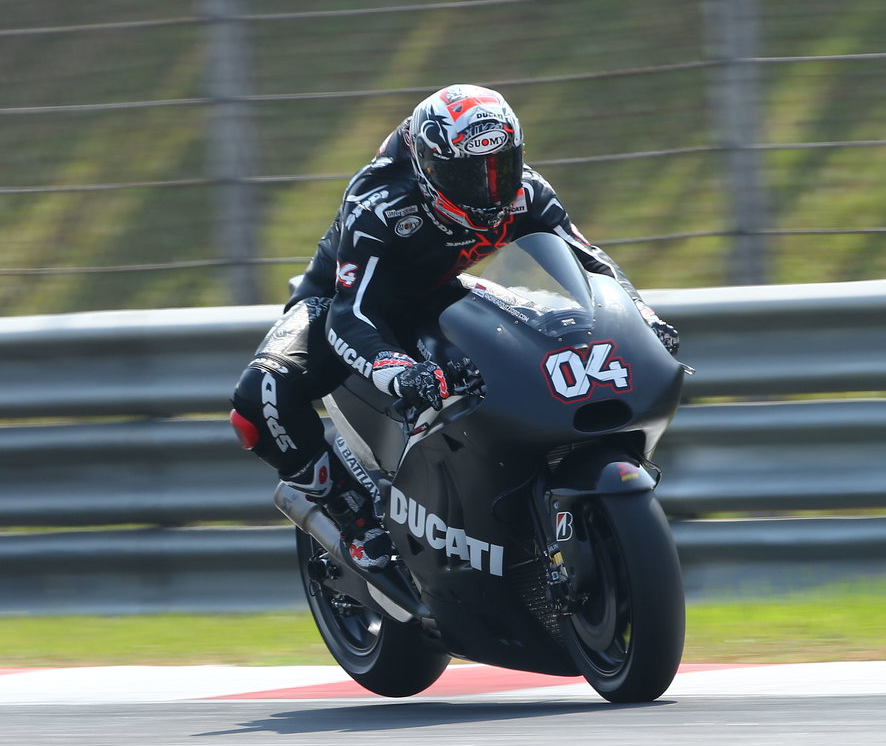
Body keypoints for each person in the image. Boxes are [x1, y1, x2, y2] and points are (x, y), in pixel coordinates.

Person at [229, 84, 679, 570]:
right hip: (347, 302)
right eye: (468, 174)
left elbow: (590, 264)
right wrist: (399, 372)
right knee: (260, 397)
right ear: (429, 166)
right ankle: (352, 516)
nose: (489, 189)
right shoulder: (379, 203)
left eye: (500, 167)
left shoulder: (528, 191)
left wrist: (643, 318)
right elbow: (349, 315)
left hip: (445, 294)